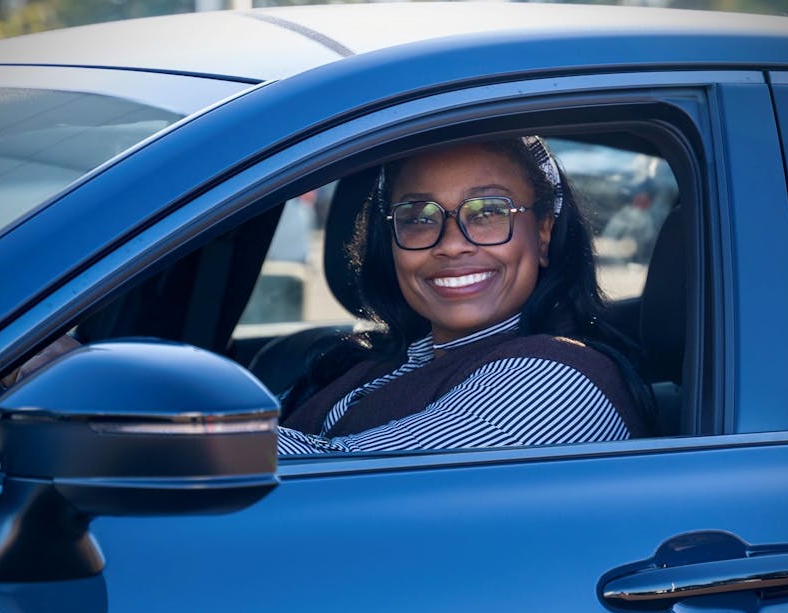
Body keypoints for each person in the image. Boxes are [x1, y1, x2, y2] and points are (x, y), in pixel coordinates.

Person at [277, 136, 653, 455]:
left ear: (543, 235)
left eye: (488, 212)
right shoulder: (372, 361)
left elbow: (337, 482)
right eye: (420, 217)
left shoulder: (558, 383)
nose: (452, 244)